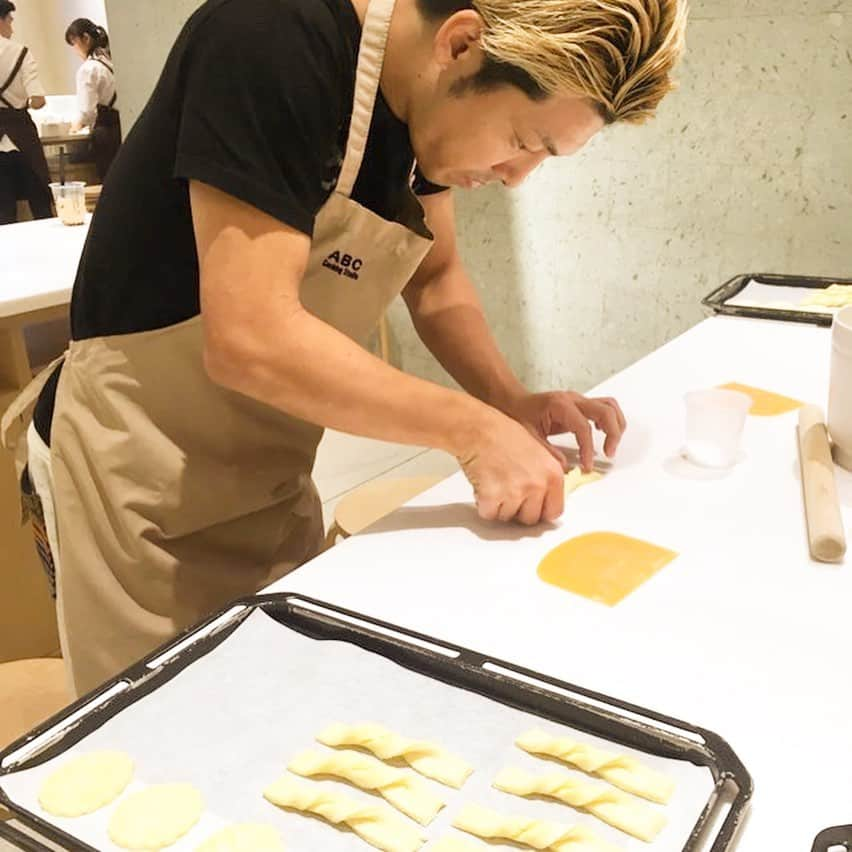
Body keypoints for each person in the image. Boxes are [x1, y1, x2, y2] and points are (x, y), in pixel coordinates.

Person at [2, 0, 686, 697]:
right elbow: (251, 340)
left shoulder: (417, 113)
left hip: (270, 479)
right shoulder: (268, 39)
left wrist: (511, 402)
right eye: (523, 139)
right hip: (136, 485)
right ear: (461, 45)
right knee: (160, 743)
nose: (517, 176)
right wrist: (472, 431)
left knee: (287, 713)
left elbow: (438, 277)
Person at [0, 0, 52, 224]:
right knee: (40, 206)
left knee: (3, 214)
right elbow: (38, 100)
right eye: (10, 21)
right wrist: (25, 103)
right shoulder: (20, 52)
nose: (12, 27)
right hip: (22, 136)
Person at [65, 18, 121, 181]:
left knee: (108, 180)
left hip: (107, 132)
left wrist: (74, 127)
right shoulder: (110, 60)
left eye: (74, 43)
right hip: (122, 128)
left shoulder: (88, 69)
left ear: (85, 39)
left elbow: (87, 112)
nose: (75, 50)